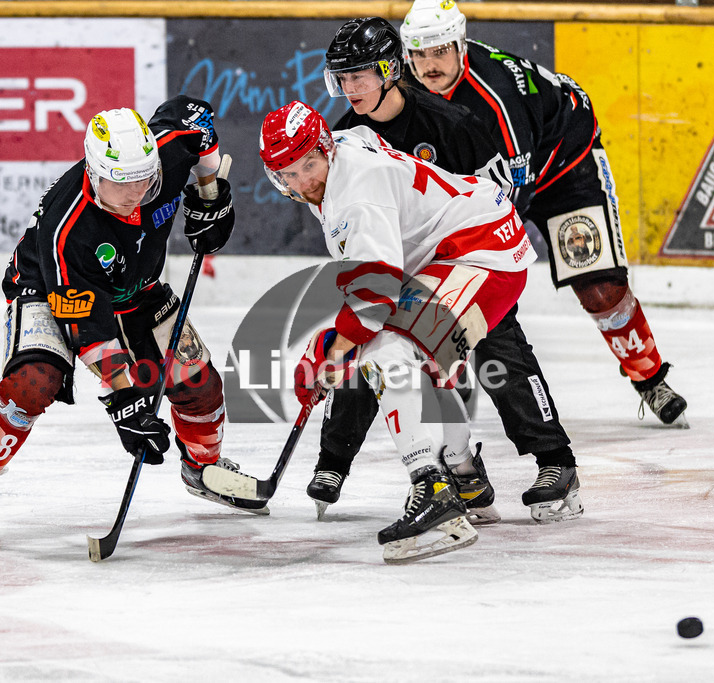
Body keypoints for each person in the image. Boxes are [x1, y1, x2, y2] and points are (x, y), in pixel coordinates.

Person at [0, 96, 262, 549]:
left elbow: (198, 122)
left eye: (144, 180)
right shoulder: (67, 232)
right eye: (121, 183)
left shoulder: (168, 149)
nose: (135, 194)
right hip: (48, 287)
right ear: (93, 172)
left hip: (137, 283)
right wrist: (125, 403)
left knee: (198, 383)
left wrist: (210, 195)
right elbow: (90, 330)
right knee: (34, 379)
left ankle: (203, 468)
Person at [310, 16, 583, 525]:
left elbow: (492, 202)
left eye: (360, 76)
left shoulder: (452, 123)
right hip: (407, 270)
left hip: (467, 257)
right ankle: (337, 461)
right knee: (373, 338)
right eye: (342, 79)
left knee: (497, 347)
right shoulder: (344, 139)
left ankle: (554, 461)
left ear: (390, 70)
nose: (350, 90)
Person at [260, 99, 539, 563]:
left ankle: (433, 494)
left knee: (385, 349)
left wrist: (332, 354)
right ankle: (463, 477)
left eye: (308, 164)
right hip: (460, 248)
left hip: (481, 253)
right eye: (288, 173)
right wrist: (333, 343)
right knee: (422, 357)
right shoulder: (343, 152)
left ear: (325, 149)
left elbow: (374, 297)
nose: (302, 180)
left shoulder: (354, 194)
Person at [399, 0, 688, 426]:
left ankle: (649, 376)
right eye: (419, 54)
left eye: (440, 50)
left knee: (599, 287)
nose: (430, 64)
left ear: (461, 44)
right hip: (485, 176)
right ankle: (453, 359)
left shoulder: (498, 98)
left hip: (565, 163)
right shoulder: (405, 90)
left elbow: (512, 199)